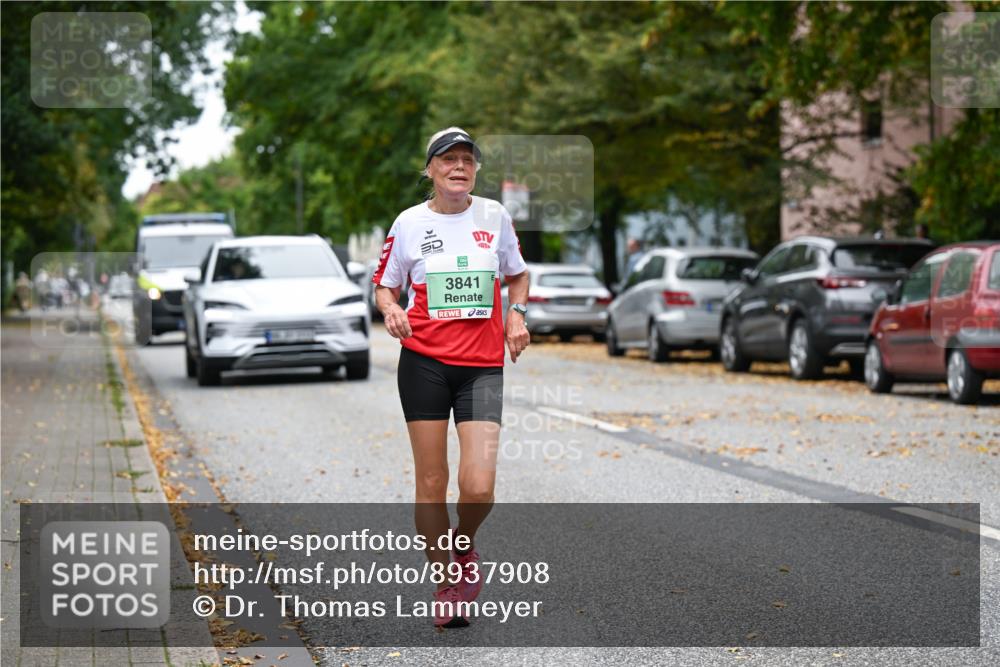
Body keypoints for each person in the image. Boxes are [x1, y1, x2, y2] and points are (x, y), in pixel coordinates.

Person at [372, 127, 530, 628]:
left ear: (475, 169)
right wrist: (391, 310)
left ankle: (464, 546)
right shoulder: (409, 223)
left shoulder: (495, 216)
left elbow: (518, 273)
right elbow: (385, 286)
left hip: (481, 365)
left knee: (479, 486)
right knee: (433, 480)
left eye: (467, 159)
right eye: (448, 159)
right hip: (424, 362)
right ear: (431, 169)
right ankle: (447, 584)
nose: (459, 167)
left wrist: (517, 315)